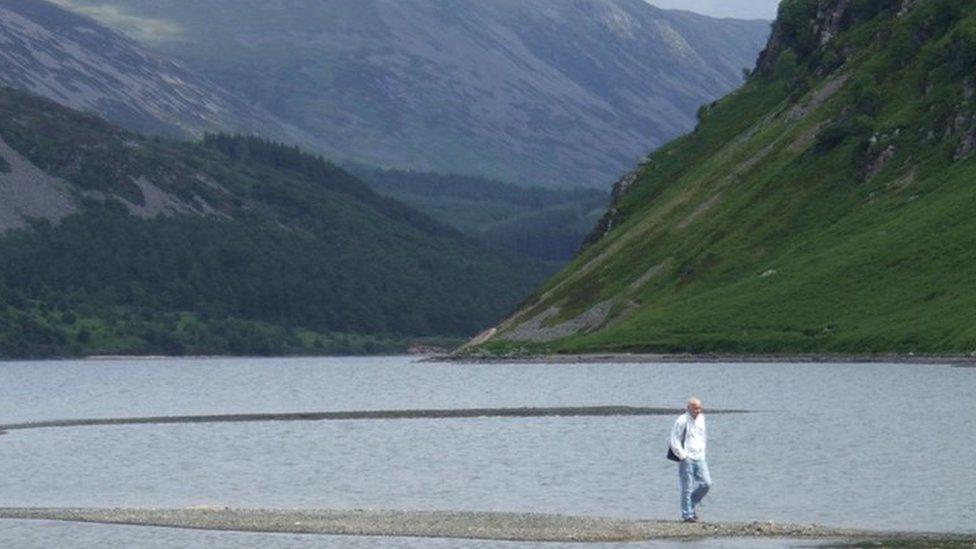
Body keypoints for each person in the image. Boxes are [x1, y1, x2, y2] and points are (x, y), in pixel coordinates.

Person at [669, 396, 710, 522]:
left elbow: (702, 437)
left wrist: (703, 452)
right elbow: (674, 440)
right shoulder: (682, 420)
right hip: (686, 457)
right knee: (687, 487)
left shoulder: (702, 419)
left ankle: (690, 505)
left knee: (706, 484)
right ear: (688, 408)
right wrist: (683, 456)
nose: (698, 411)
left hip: (700, 456)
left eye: (699, 408)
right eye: (695, 409)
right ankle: (687, 514)